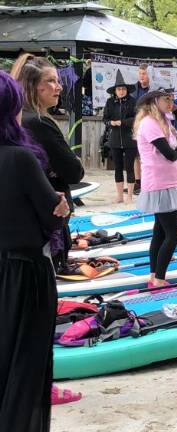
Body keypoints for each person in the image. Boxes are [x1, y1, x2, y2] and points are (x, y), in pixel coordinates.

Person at [0, 69, 72, 432]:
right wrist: (60, 207)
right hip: (24, 270)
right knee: (25, 362)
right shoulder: (20, 158)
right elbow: (54, 215)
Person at [12, 53, 85, 272]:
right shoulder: (38, 122)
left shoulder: (17, 119)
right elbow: (74, 172)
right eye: (50, 81)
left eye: (58, 80)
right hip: (47, 218)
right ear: (33, 87)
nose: (58, 87)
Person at [134, 88, 177, 287]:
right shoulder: (149, 123)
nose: (171, 102)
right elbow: (170, 154)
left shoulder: (165, 121)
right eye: (166, 100)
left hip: (170, 182)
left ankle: (154, 275)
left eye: (172, 99)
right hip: (159, 183)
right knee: (174, 233)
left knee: (160, 231)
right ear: (154, 101)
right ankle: (159, 277)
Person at [102, 69, 137, 203]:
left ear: (127, 90)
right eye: (118, 89)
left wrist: (122, 122)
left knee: (129, 167)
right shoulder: (110, 102)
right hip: (115, 139)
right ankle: (119, 196)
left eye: (123, 89)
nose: (121, 91)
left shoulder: (133, 102)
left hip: (130, 139)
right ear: (115, 91)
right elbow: (105, 119)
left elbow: (136, 118)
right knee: (117, 168)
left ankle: (129, 196)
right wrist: (111, 122)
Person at [131, 63, 153, 195]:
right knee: (136, 155)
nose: (141, 76)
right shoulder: (134, 89)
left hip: (150, 124)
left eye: (144, 74)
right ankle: (138, 182)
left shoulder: (153, 89)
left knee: (148, 154)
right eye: (140, 73)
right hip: (136, 124)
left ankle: (148, 181)